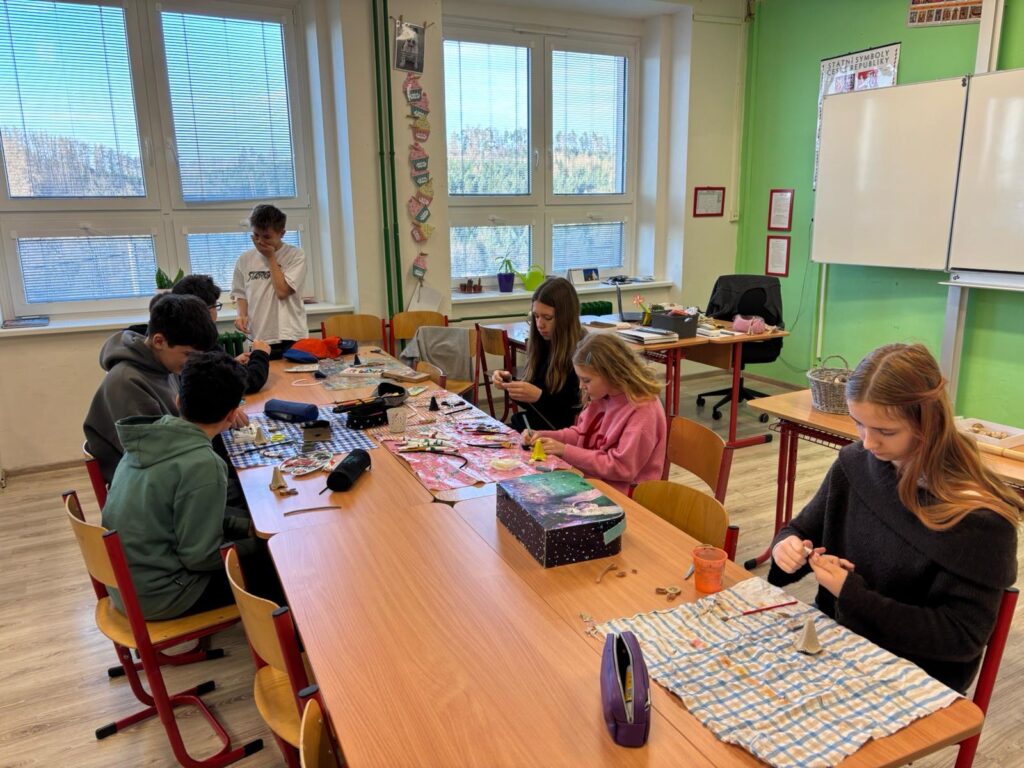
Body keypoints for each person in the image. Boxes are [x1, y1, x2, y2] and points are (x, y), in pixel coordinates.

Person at [768, 343, 1019, 693]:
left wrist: (851, 595)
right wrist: (787, 547)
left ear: (927, 422)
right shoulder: (854, 464)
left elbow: (960, 638)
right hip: (838, 641)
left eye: (885, 432)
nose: (869, 443)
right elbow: (799, 530)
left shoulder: (980, 520)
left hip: (916, 676)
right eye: (858, 424)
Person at [101, 351, 281, 620]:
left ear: (177, 401)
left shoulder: (148, 437)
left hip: (128, 586)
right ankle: (286, 641)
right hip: (164, 595)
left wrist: (244, 526)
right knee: (280, 567)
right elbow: (201, 557)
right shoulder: (203, 464)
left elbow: (182, 515)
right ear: (232, 415)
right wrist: (263, 544)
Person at [84, 293, 218, 484]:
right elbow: (155, 458)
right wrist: (211, 428)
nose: (193, 362)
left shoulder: (164, 364)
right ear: (159, 341)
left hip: (169, 468)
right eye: (188, 354)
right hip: (146, 487)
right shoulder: (127, 382)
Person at [525, 333, 666, 495]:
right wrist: (545, 437)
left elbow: (621, 468)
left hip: (625, 495)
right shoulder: (603, 395)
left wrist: (565, 450)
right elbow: (582, 434)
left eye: (586, 380)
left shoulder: (643, 409)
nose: (580, 386)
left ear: (611, 374)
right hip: (592, 481)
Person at [491, 276, 584, 431]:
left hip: (561, 433)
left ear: (565, 318)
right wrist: (509, 384)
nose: (540, 324)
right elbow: (535, 406)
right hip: (537, 426)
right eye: (536, 316)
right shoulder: (542, 344)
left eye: (548, 318)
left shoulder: (581, 352)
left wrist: (539, 397)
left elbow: (572, 413)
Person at [231, 203, 308, 359]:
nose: (260, 241)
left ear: (282, 233)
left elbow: (282, 291)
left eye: (266, 237)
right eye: (256, 235)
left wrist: (270, 257)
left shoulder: (296, 255)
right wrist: (241, 315)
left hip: (291, 334)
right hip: (260, 335)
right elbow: (240, 293)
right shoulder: (245, 259)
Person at [172, 274, 271, 393]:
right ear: (206, 309)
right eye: (216, 305)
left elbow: (214, 371)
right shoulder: (201, 339)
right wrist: (261, 354)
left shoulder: (180, 333)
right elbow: (250, 381)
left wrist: (231, 363)